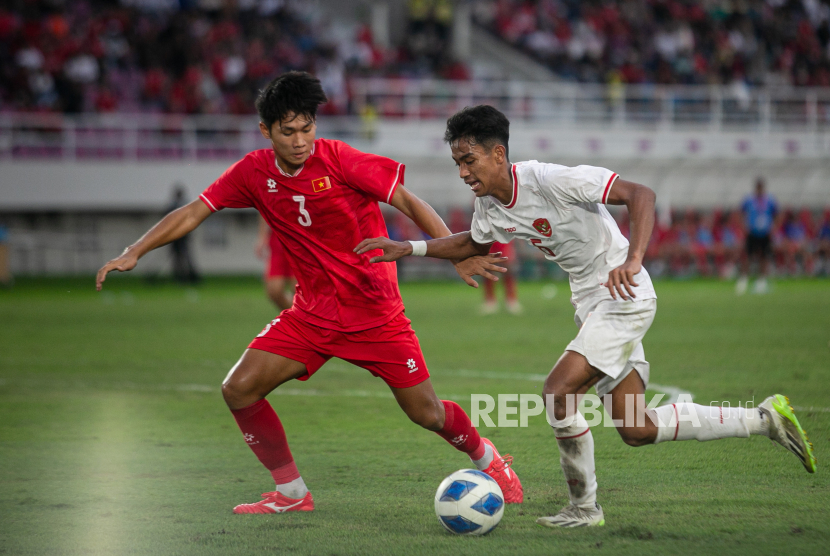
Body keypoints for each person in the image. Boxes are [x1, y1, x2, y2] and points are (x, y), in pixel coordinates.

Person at [356, 105, 816, 528]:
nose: (462, 171)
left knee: (558, 391)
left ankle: (584, 508)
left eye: (469, 159)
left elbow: (641, 194)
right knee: (637, 428)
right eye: (457, 161)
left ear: (498, 154)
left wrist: (633, 260)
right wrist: (409, 248)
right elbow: (474, 243)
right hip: (592, 305)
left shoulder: (550, 179)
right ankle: (764, 419)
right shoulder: (490, 205)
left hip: (624, 294)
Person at [95, 73, 522, 514]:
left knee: (427, 415)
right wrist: (135, 251)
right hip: (311, 316)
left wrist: (453, 253)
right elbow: (195, 211)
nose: (300, 141)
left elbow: (410, 203)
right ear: (266, 131)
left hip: (375, 314)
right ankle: (292, 494)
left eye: (307, 129)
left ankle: (488, 459)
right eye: (288, 132)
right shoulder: (252, 172)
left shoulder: (341, 160)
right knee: (239, 388)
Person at [737, 178, 777, 294]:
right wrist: (743, 227)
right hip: (752, 232)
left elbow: (777, 214)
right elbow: (740, 213)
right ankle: (743, 280)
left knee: (764, 256)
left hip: (765, 233)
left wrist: (773, 228)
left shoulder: (769, 200)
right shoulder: (749, 200)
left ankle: (761, 281)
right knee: (748, 255)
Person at [255, 216, 296, 310]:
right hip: (277, 238)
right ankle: (295, 316)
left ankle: (302, 319)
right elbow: (263, 206)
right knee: (274, 291)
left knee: (300, 291)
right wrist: (261, 236)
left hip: (299, 238)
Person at [166, 184, 201, 285]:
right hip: (176, 237)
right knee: (180, 258)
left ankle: (189, 276)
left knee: (185, 257)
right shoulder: (176, 206)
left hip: (182, 237)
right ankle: (182, 277)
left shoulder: (182, 206)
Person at [481, 241, 522, 315]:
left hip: (503, 237)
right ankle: (490, 301)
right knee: (488, 267)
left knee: (508, 266)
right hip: (487, 238)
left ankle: (511, 300)